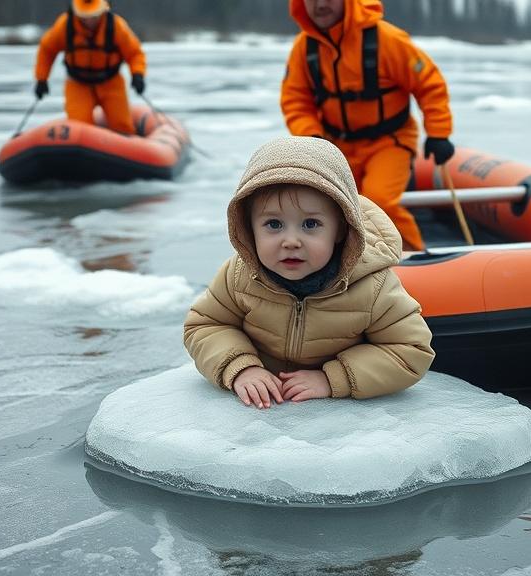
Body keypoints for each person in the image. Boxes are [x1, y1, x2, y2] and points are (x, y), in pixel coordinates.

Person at [183, 136, 435, 409]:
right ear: (248, 227)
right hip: (266, 408)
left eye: (311, 224)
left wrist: (333, 379)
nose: (291, 240)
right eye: (274, 224)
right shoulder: (238, 275)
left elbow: (410, 350)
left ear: (341, 228)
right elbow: (205, 325)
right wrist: (241, 368)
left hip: (337, 419)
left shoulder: (374, 286)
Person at [281, 0, 456, 251]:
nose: (320, 5)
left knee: (379, 200)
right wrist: (311, 135)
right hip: (336, 145)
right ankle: (343, 261)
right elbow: (295, 99)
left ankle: (412, 257)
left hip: (390, 141)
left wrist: (438, 133)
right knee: (334, 204)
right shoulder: (304, 48)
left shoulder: (387, 39)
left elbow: (429, 83)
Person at [32, 0, 146, 135]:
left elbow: (134, 53)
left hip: (110, 83)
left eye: (94, 16)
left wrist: (137, 74)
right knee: (78, 126)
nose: (89, 21)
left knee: (121, 124)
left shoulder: (115, 26)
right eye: (84, 16)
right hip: (78, 84)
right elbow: (47, 50)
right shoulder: (65, 25)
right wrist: (41, 79)